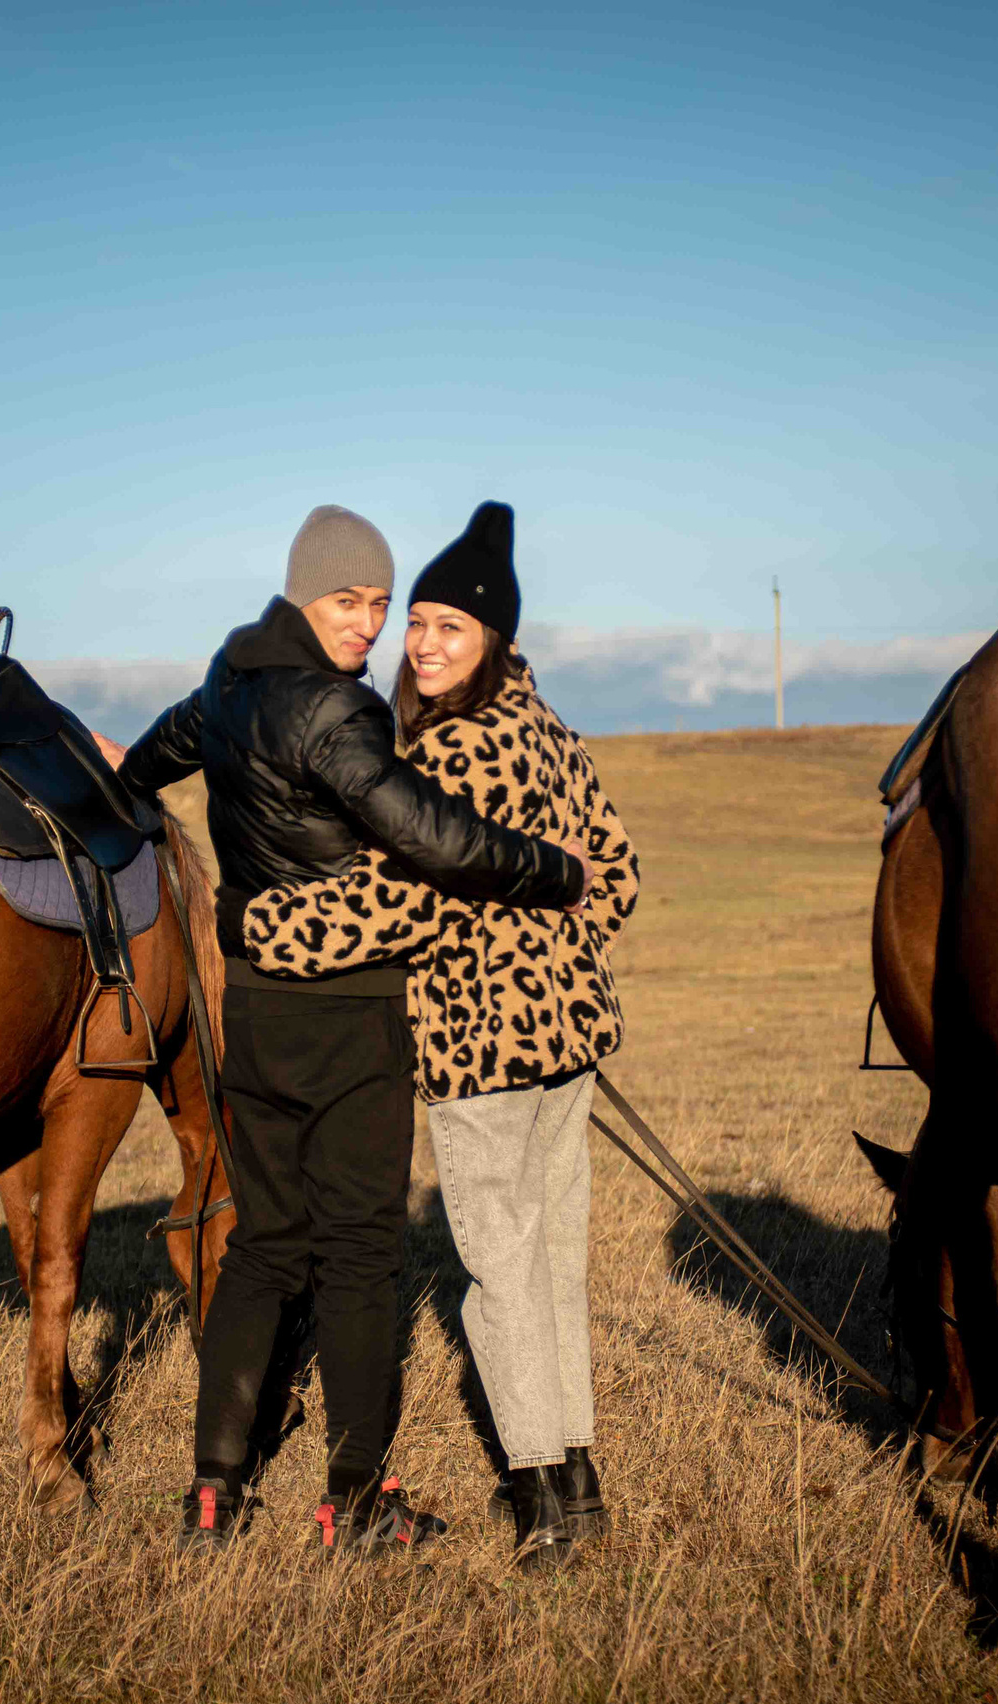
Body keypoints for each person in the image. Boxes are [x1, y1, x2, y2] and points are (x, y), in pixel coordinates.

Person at [103, 503, 588, 1556]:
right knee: (362, 1254)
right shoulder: (338, 708)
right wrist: (553, 870)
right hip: (351, 1006)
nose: (369, 624)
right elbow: (432, 835)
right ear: (302, 592)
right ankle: (357, 1500)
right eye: (347, 600)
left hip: (252, 1005)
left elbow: (150, 758)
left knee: (263, 1246)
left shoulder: (226, 679)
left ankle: (213, 1494)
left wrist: (123, 789)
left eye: (379, 602)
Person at [238, 501, 640, 1571]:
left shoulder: (450, 751)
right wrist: (559, 945)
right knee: (552, 1263)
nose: (419, 642)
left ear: (493, 638)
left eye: (447, 627)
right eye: (414, 621)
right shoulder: (553, 732)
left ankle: (540, 1497)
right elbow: (616, 870)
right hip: (569, 1044)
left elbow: (394, 904)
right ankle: (579, 1482)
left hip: (480, 1049)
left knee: (503, 1275)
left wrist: (262, 925)